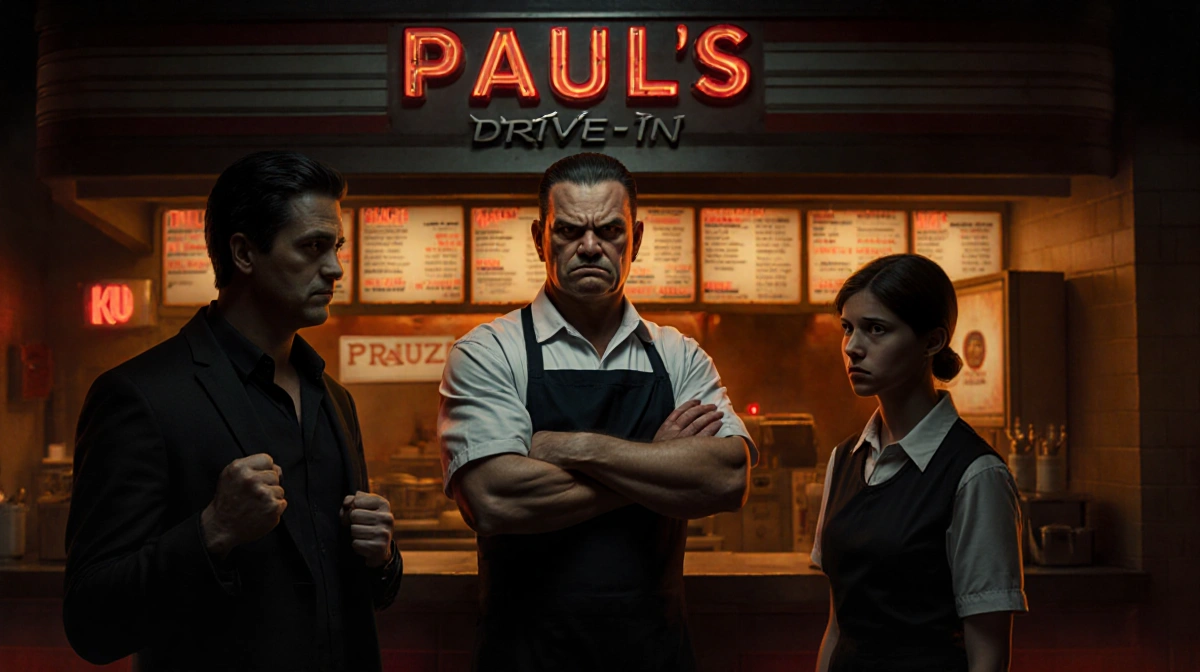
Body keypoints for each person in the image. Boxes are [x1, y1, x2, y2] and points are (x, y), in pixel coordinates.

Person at [64, 151, 402, 672]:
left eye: (335, 247)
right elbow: (92, 620)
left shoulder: (332, 397)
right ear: (244, 253)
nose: (335, 268)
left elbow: (341, 594)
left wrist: (381, 560)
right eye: (312, 247)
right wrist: (213, 529)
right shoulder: (140, 395)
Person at [438, 152, 757, 671]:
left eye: (609, 230)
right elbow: (492, 499)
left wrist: (576, 448)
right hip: (525, 656)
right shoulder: (489, 350)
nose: (589, 247)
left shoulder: (678, 354)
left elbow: (727, 478)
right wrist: (655, 462)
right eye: (568, 231)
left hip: (655, 654)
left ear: (637, 236)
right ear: (540, 237)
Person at [812, 254, 1027, 672]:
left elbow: (989, 654)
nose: (853, 347)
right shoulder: (845, 459)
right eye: (848, 328)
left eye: (876, 329)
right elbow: (838, 626)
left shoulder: (974, 473)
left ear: (932, 341)